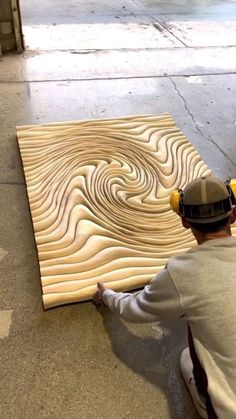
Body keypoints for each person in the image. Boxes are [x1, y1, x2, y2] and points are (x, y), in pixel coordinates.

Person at [93, 176, 236, 419]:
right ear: (233, 216)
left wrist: (107, 295)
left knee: (186, 359)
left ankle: (207, 402)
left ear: (183, 221)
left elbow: (134, 309)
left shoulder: (182, 273)